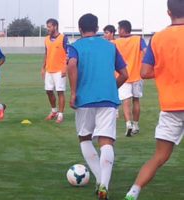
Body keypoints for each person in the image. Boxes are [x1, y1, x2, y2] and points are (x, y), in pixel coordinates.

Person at [124, 0, 184, 199]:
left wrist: (165, 69)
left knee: (158, 157)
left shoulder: (157, 38)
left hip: (170, 106)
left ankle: (133, 192)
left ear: (168, 12)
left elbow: (144, 72)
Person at [67, 13, 128, 199]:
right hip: (108, 99)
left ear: (79, 29)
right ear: (98, 27)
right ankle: (104, 185)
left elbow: (71, 65)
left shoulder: (74, 47)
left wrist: (73, 92)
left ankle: (100, 179)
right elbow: (124, 74)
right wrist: (111, 88)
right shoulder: (111, 46)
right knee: (106, 141)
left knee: (85, 138)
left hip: (84, 99)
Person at [114, 20, 147, 136]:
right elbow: (146, 52)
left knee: (125, 101)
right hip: (136, 75)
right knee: (136, 100)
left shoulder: (115, 42)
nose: (118, 31)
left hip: (122, 75)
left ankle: (128, 123)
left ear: (122, 29)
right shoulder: (138, 39)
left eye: (118, 29)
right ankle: (136, 124)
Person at [40, 18, 69, 123]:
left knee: (60, 92)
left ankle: (60, 115)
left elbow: (68, 54)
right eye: (47, 26)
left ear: (55, 26)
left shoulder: (63, 38)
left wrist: (65, 67)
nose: (48, 28)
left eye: (49, 26)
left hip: (59, 70)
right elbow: (46, 53)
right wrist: (43, 67)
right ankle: (54, 110)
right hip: (49, 69)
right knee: (48, 91)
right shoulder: (46, 39)